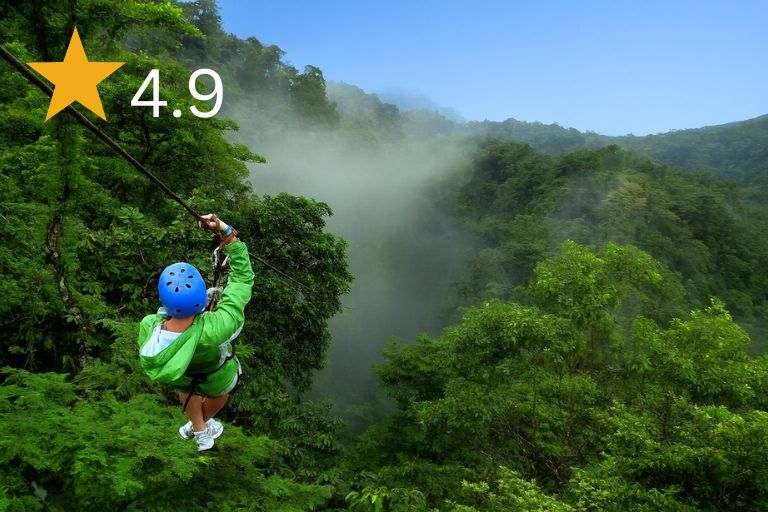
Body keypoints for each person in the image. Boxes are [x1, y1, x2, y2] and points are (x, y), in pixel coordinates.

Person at [137, 214, 254, 451]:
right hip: (214, 376)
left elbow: (162, 316)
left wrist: (199, 304)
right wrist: (228, 234)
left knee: (187, 391)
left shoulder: (149, 325)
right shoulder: (215, 327)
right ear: (200, 299)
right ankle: (200, 427)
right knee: (221, 395)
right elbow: (242, 280)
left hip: (182, 375)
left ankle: (198, 428)